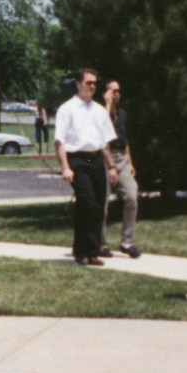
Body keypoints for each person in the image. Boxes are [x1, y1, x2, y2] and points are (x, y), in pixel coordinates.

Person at [55, 68, 118, 266]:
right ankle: (80, 251)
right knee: (87, 202)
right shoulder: (67, 109)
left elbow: (105, 143)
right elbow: (60, 142)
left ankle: (92, 252)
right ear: (78, 84)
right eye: (88, 82)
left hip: (96, 159)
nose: (92, 86)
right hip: (78, 160)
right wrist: (65, 167)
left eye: (94, 83)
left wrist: (112, 167)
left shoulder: (99, 110)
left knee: (98, 206)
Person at [100, 80, 141, 258]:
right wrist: (107, 105)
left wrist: (130, 162)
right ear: (105, 94)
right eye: (113, 91)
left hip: (121, 158)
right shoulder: (100, 112)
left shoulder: (122, 114)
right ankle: (100, 243)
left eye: (118, 91)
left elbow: (125, 140)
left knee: (132, 195)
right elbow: (100, 128)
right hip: (103, 158)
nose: (117, 94)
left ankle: (126, 242)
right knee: (102, 203)